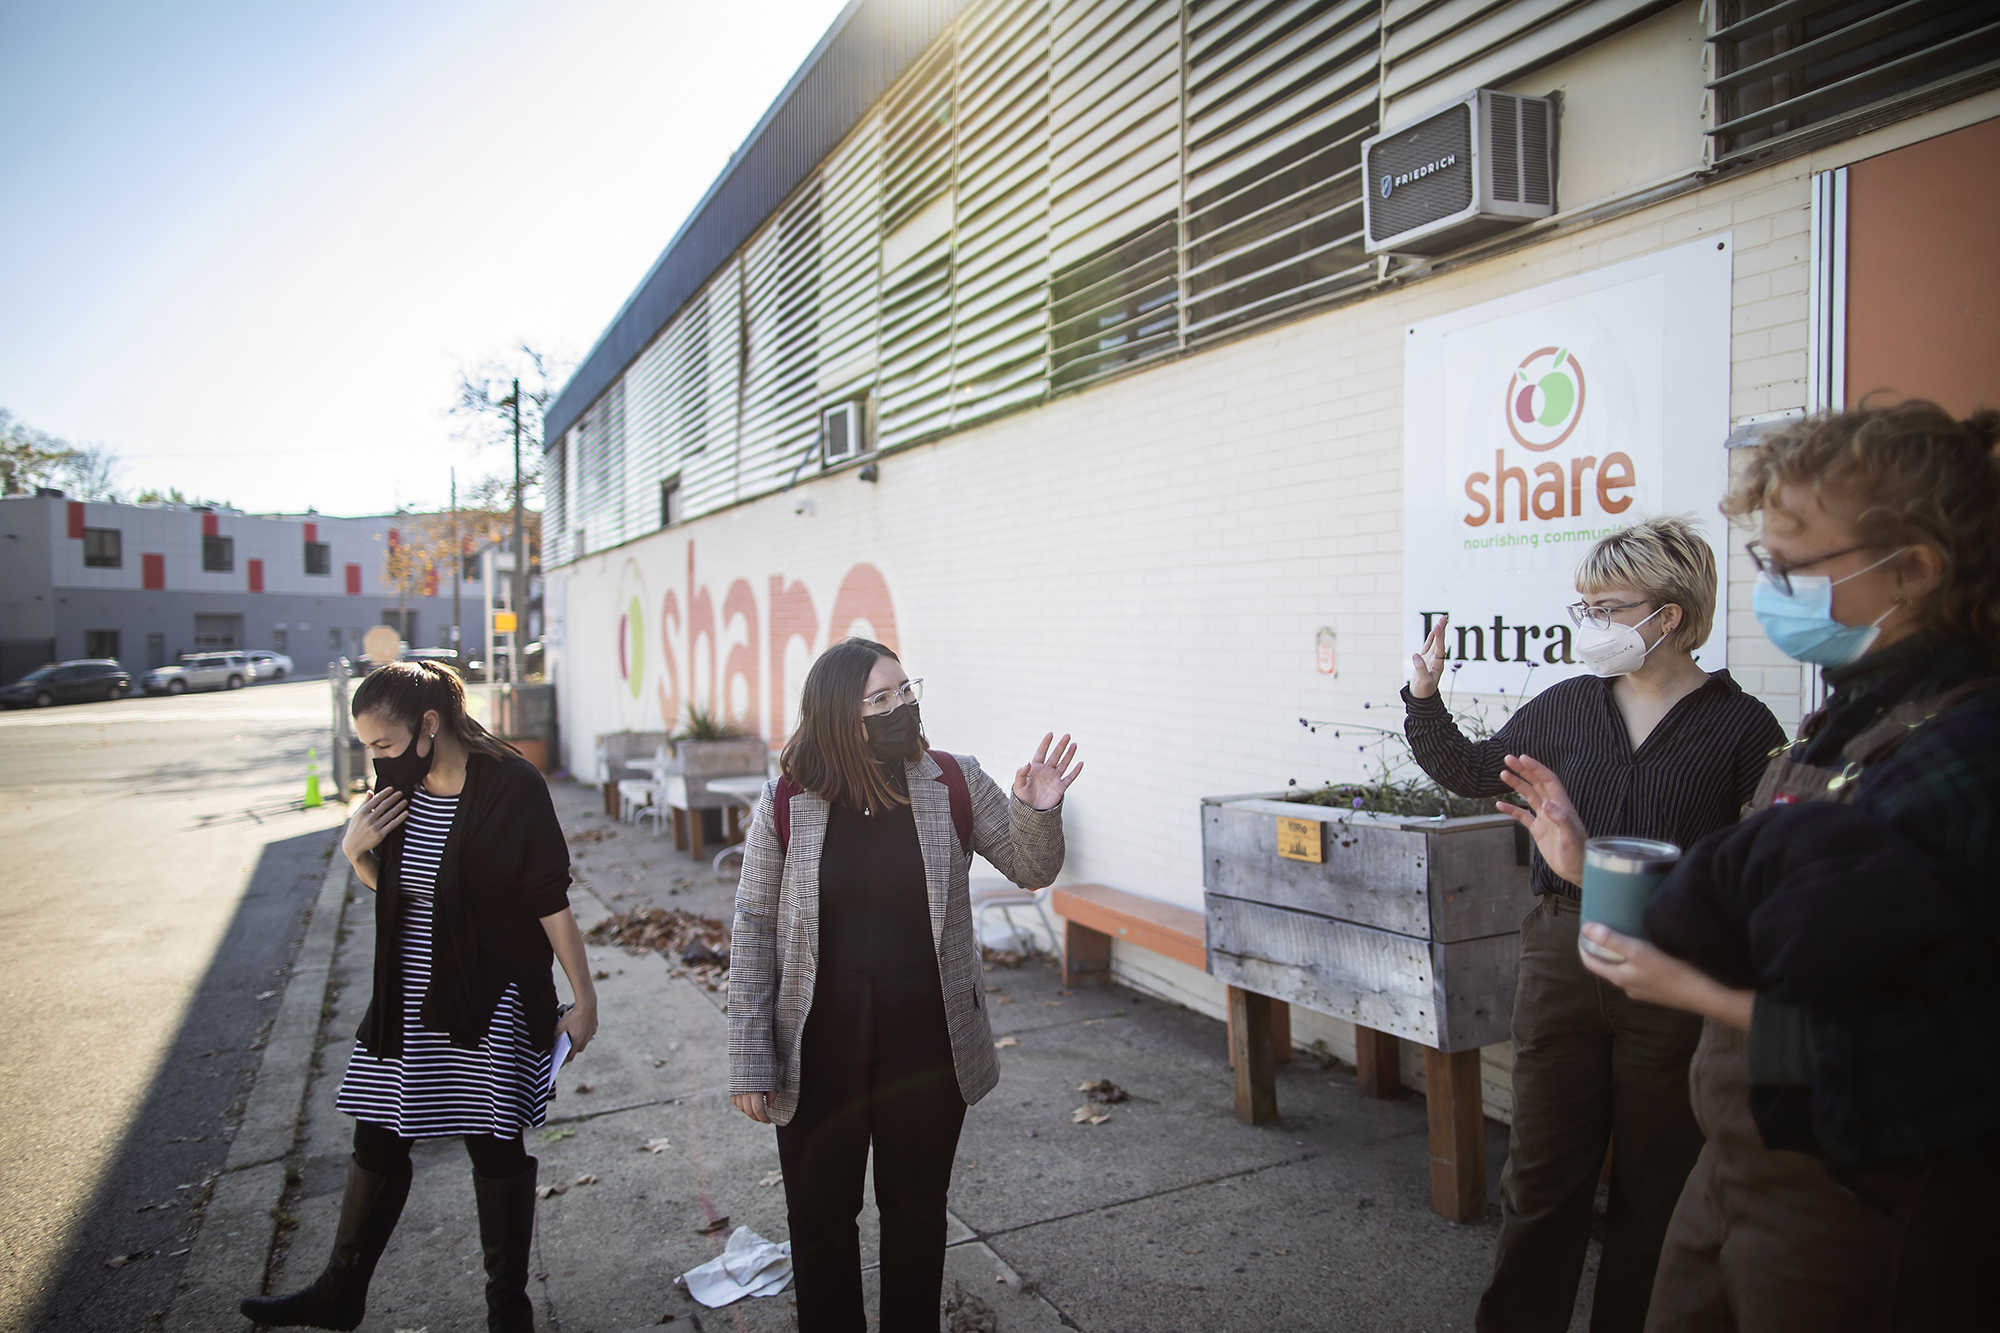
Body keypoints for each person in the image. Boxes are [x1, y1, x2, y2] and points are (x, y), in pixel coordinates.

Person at [1547, 402, 2000, 1330]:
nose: (1774, 587)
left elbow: (1953, 1056)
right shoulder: (1854, 714)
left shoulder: (1970, 759)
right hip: (1743, 1157)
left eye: (1793, 566)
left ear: (1913, 569)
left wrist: (1706, 992)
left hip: (1861, 1195)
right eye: (1766, 561)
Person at [1402, 516, 1784, 1333]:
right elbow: (1472, 769)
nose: (1590, 625)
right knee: (1541, 1177)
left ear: (1669, 615)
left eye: (1605, 607)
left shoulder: (1744, 729)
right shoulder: (1571, 706)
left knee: (1658, 1183)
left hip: (1673, 963)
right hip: (1561, 950)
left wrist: (1607, 865)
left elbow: (1758, 875)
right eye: (1584, 607)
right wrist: (1426, 696)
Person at [727, 637, 1081, 1332]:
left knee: (917, 1217)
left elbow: (1029, 867)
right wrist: (748, 1057)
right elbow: (753, 927)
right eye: (880, 699)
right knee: (820, 1220)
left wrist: (1036, 809)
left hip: (927, 1051)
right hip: (817, 1050)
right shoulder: (787, 800)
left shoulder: (951, 779)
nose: (901, 707)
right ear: (837, 715)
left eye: (906, 691)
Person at [240, 660, 597, 1333]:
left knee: (493, 1145)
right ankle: (340, 1291)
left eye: (383, 744)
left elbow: (551, 902)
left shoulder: (511, 786)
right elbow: (408, 892)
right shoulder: (398, 786)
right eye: (368, 747)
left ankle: (508, 1309)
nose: (376, 759)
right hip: (407, 996)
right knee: (377, 1134)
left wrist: (584, 998)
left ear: (428, 724)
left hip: (489, 996)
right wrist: (356, 853)